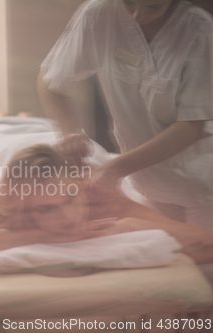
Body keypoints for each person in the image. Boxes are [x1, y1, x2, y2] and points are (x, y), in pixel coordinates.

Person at [37, 0, 213, 232]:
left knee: (202, 260)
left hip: (202, 178)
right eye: (129, 2)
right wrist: (70, 132)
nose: (138, 15)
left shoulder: (198, 29)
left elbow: (191, 127)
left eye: (153, 6)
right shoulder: (97, 15)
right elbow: (51, 81)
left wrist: (114, 169)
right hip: (147, 178)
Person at [0, 144, 213, 268]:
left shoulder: (96, 195)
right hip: (1, 150)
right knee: (0, 133)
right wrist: (49, 236)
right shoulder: (6, 199)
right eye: (46, 209)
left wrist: (128, 227)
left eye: (70, 199)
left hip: (78, 151)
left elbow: (205, 243)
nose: (68, 216)